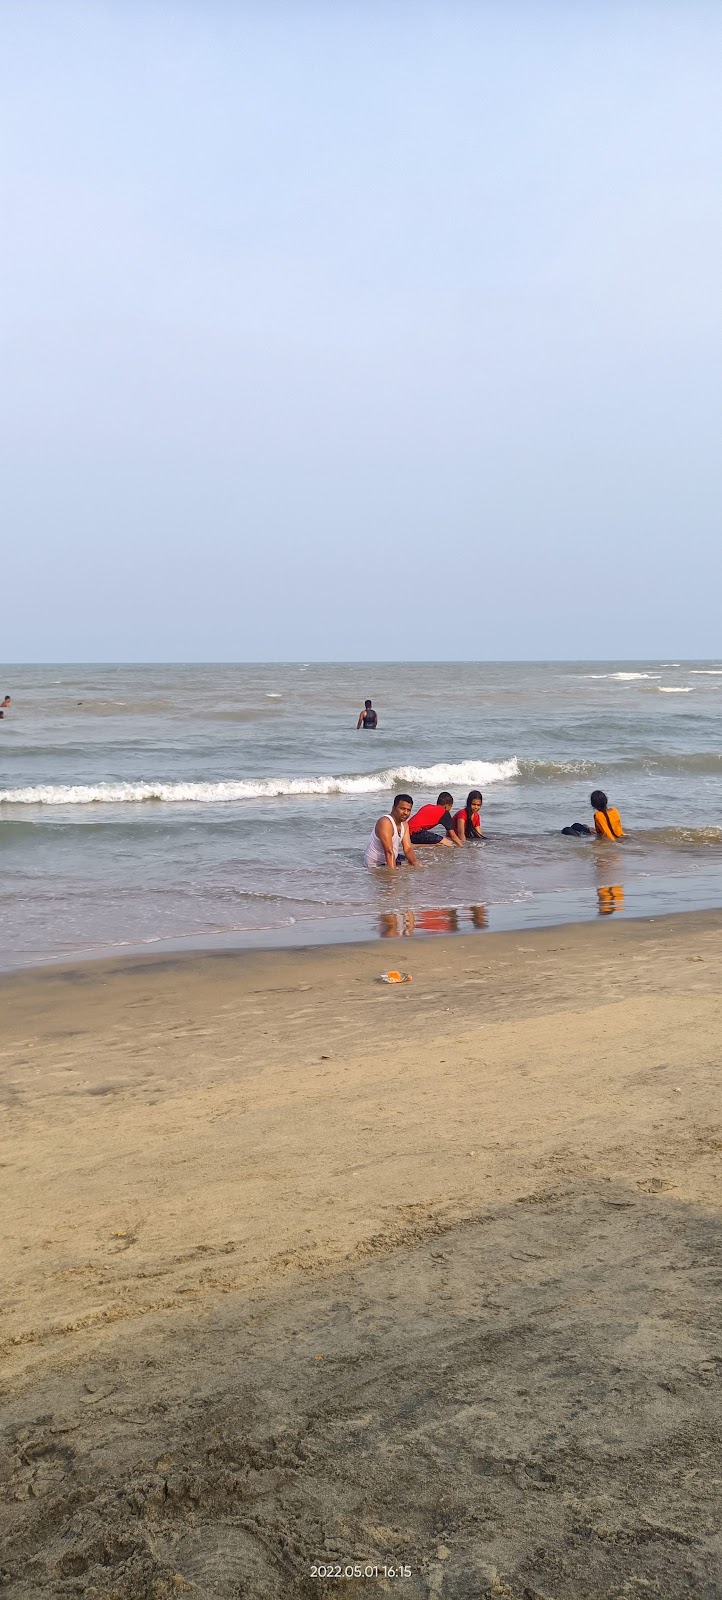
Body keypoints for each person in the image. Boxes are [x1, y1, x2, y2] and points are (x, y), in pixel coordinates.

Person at [364, 794, 418, 869]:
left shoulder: (404, 824)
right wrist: (393, 877)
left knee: (415, 863)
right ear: (393, 808)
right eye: (402, 808)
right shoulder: (385, 822)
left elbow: (408, 848)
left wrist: (417, 866)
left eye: (408, 810)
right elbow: (389, 852)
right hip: (376, 865)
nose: (405, 812)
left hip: (391, 858)